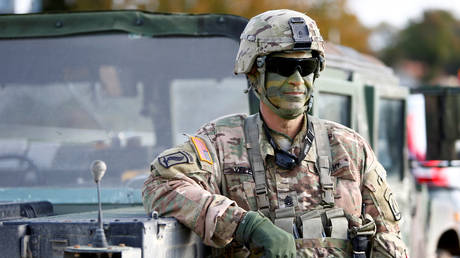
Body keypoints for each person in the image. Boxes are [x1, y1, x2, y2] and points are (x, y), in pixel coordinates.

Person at [143, 9, 408, 258]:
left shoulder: (349, 148)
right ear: (255, 73)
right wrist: (245, 225)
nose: (296, 80)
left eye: (306, 67)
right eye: (282, 67)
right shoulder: (221, 143)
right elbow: (161, 186)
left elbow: (389, 240)